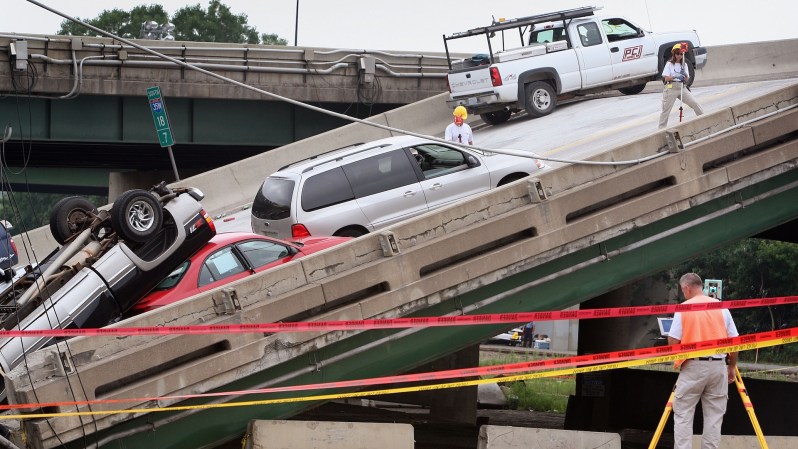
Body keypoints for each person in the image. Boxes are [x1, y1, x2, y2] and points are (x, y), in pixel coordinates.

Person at [667, 273, 739, 449]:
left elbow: (674, 339)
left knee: (683, 414)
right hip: (718, 367)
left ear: (687, 288)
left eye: (683, 290)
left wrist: (676, 358)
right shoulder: (721, 307)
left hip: (692, 366)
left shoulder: (683, 308)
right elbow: (735, 340)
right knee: (714, 417)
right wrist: (731, 367)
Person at [658, 43, 704, 129]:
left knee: (695, 103)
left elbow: (686, 80)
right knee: (665, 111)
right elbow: (666, 78)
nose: (679, 56)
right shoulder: (669, 64)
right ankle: (661, 129)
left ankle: (703, 119)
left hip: (682, 87)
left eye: (681, 54)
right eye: (677, 54)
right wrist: (675, 76)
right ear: (674, 54)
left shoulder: (684, 65)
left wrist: (685, 75)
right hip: (671, 88)